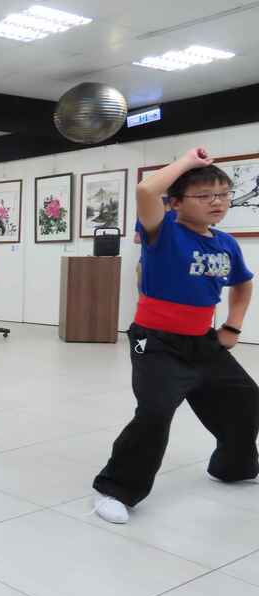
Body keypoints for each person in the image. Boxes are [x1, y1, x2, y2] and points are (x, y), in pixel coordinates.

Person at [92, 147, 259, 524]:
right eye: (204, 195)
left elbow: (243, 285)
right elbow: (145, 193)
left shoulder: (225, 243)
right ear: (177, 203)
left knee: (245, 398)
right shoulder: (163, 231)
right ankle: (116, 489)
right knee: (155, 411)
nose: (217, 202)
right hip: (156, 342)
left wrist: (232, 325)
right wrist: (187, 162)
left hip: (203, 342)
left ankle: (233, 467)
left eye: (223, 194)